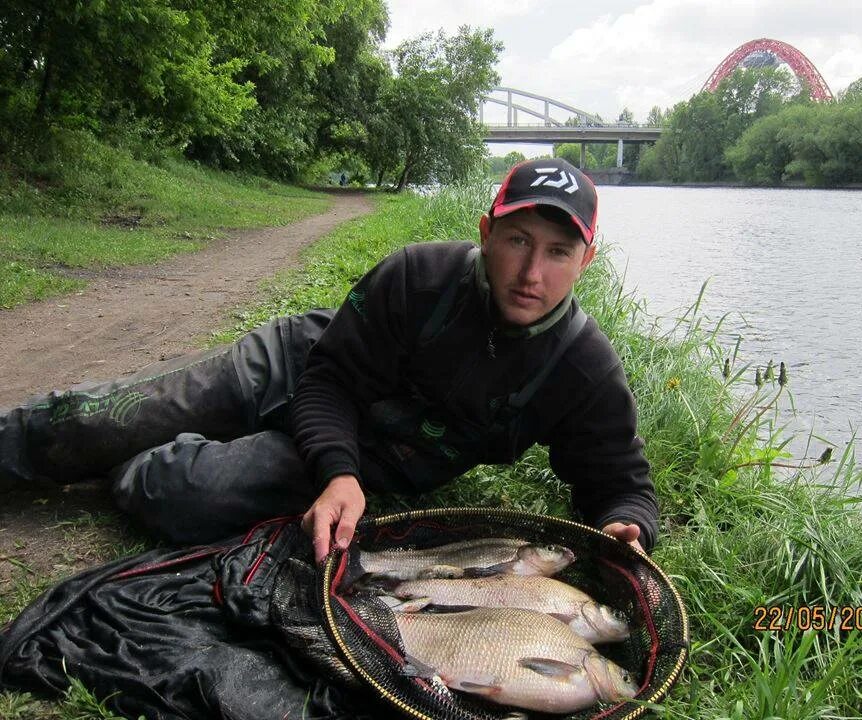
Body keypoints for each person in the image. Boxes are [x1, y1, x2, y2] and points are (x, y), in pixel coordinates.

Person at [0, 158, 658, 559]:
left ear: (586, 261)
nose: (531, 272)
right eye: (517, 240)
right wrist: (336, 468)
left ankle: (139, 459)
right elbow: (330, 380)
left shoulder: (583, 367)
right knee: (96, 419)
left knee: (179, 495)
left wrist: (625, 525)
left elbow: (618, 478)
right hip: (293, 367)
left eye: (557, 252)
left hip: (369, 458)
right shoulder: (419, 275)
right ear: (487, 233)